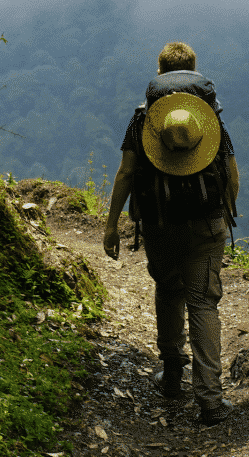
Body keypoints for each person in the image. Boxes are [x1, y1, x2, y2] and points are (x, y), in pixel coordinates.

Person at [102, 42, 240, 427]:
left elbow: (126, 174)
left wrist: (112, 225)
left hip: (160, 224)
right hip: (206, 226)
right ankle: (211, 401)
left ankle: (173, 377)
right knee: (203, 304)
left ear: (159, 72)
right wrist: (225, 214)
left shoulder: (143, 120)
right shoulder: (210, 119)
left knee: (168, 290)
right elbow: (231, 176)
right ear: (195, 70)